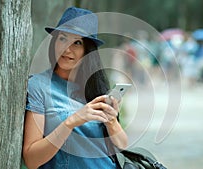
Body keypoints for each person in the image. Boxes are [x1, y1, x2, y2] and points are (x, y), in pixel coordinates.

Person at [23, 7, 128, 169]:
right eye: (63, 39)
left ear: (88, 50)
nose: (67, 49)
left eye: (77, 42)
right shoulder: (39, 86)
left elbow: (122, 145)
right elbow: (31, 159)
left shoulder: (95, 87)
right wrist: (71, 122)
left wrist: (112, 121)